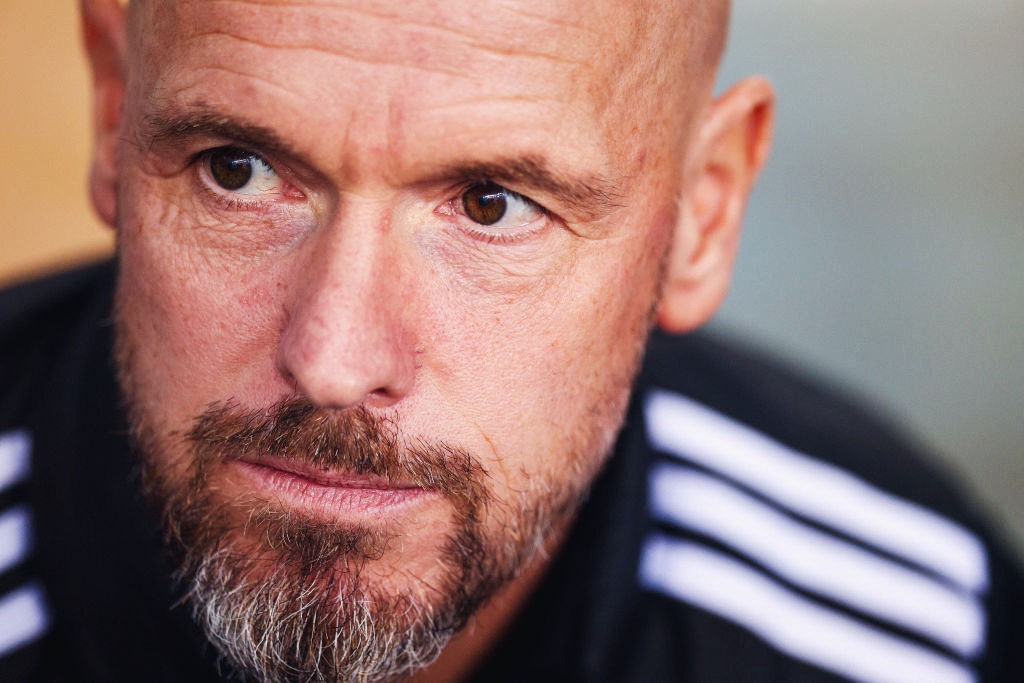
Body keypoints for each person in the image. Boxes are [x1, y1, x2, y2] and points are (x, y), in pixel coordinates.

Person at [0, 0, 1020, 681]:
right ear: (116, 110)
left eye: (491, 204)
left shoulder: (900, 639)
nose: (333, 359)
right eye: (237, 169)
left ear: (702, 213)